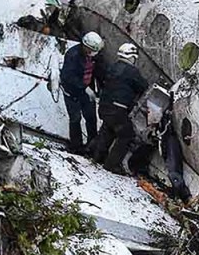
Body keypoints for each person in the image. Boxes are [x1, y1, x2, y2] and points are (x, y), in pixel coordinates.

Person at [92, 43, 149, 174]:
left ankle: (97, 157)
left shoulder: (113, 67)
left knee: (108, 129)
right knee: (126, 135)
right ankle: (111, 165)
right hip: (117, 109)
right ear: (132, 57)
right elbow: (143, 86)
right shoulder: (131, 71)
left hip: (104, 106)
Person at [60, 32, 106, 153]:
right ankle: (76, 147)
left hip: (87, 92)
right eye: (92, 50)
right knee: (75, 118)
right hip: (72, 92)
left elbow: (100, 72)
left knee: (91, 118)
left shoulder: (95, 56)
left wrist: (101, 89)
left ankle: (92, 146)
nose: (94, 53)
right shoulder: (72, 55)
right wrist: (84, 87)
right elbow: (67, 76)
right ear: (86, 47)